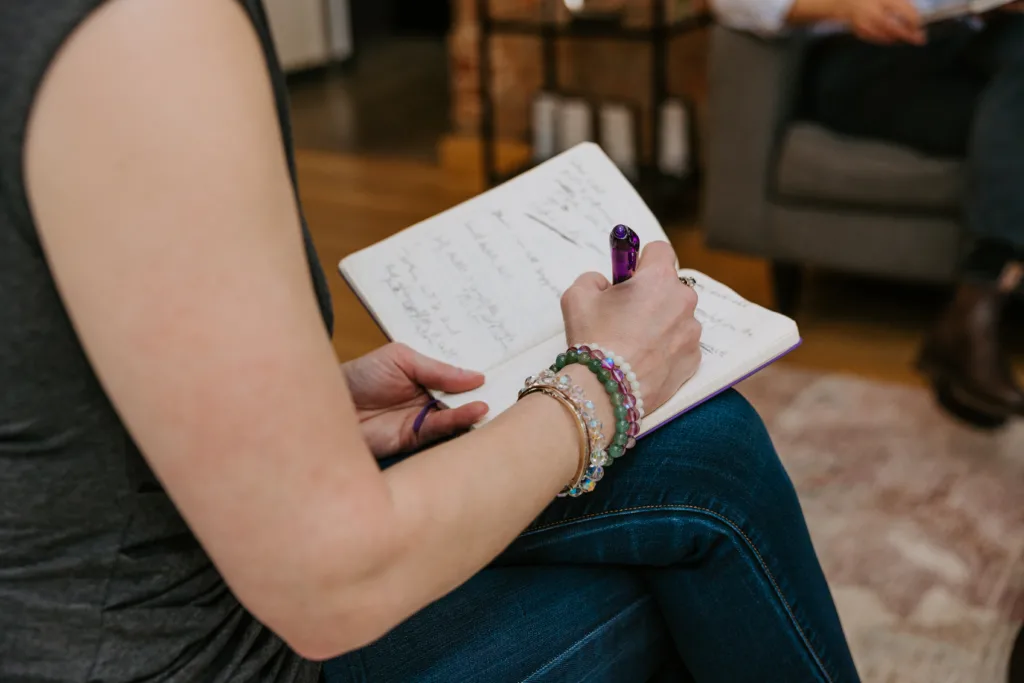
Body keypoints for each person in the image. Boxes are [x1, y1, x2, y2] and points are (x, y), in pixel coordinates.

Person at [0, 1, 860, 681]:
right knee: (702, 530)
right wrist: (607, 382)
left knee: (709, 447)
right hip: (191, 651)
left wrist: (307, 411)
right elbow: (330, 585)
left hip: (139, 581)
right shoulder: (142, 37)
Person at [711, 0, 1024, 427]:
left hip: (970, 49)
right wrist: (847, 8)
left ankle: (973, 312)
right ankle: (976, 307)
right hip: (864, 62)